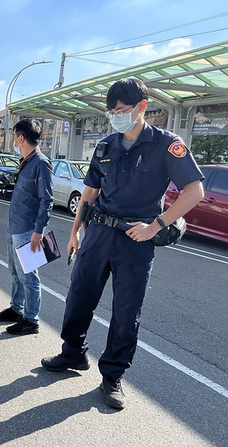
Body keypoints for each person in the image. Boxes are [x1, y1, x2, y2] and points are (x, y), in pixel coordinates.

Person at [40, 78, 204, 410]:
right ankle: (73, 353)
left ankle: (112, 375)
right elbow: (89, 193)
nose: (116, 116)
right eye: (112, 111)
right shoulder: (105, 147)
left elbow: (195, 192)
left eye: (122, 110)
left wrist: (156, 226)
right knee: (78, 298)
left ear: (143, 107)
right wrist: (74, 231)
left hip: (135, 240)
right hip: (97, 234)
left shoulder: (167, 145)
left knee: (127, 312)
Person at [0, 119, 54, 335]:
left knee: (29, 276)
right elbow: (21, 196)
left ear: (21, 138)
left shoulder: (40, 163)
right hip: (16, 229)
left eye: (14, 136)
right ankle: (16, 309)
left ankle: (31, 320)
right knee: (15, 272)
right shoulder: (27, 162)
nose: (13, 140)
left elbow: (46, 200)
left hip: (29, 231)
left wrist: (38, 232)